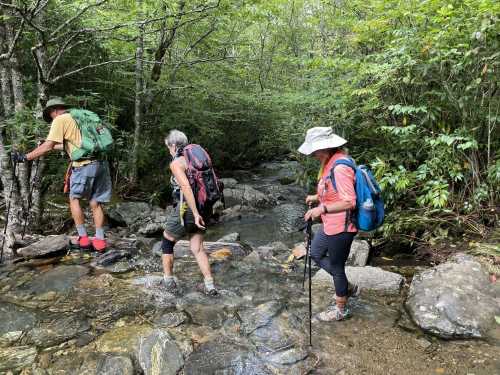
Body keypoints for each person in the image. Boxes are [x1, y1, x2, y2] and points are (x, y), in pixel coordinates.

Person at [11, 97, 112, 252]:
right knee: (95, 202)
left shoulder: (60, 120)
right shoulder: (79, 117)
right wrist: (49, 143)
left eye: (50, 115)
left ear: (54, 110)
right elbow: (71, 145)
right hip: (101, 164)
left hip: (83, 165)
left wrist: (25, 157)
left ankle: (83, 239)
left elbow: (47, 146)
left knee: (74, 198)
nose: (51, 119)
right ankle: (100, 241)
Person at [298, 126, 357, 321]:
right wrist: (317, 197)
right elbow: (334, 191)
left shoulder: (340, 167)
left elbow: (350, 201)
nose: (313, 154)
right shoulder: (331, 162)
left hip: (342, 226)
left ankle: (341, 310)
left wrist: (321, 209)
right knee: (315, 253)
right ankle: (346, 286)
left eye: (315, 150)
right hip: (330, 223)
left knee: (337, 267)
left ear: (325, 148)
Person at [160, 130, 218, 296]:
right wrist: (201, 212)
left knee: (167, 241)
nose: (169, 150)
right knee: (197, 247)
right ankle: (209, 286)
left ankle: (168, 282)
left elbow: (186, 188)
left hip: (190, 208)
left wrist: (194, 212)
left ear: (173, 145)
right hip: (206, 205)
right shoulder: (199, 158)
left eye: (168, 147)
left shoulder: (177, 163)